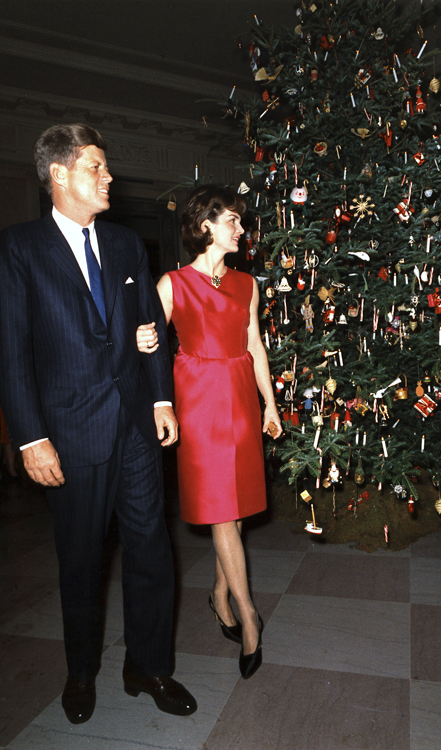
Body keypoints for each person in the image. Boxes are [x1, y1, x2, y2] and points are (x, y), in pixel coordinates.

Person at [0, 123, 195, 724]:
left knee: (152, 547)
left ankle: (149, 665)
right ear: (59, 173)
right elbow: (11, 351)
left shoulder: (128, 245)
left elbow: (150, 329)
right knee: (80, 558)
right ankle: (81, 673)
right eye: (96, 167)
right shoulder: (19, 247)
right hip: (69, 430)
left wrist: (160, 401)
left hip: (133, 422)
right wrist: (29, 435)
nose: (109, 178)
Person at [144, 184, 282, 680]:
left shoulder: (247, 283)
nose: (241, 230)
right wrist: (150, 363)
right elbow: (150, 350)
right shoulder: (173, 283)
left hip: (242, 395)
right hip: (199, 401)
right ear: (206, 227)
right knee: (222, 511)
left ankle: (220, 592)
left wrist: (270, 404)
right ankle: (248, 618)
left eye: (240, 223)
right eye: (233, 222)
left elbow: (256, 345)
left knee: (238, 505)